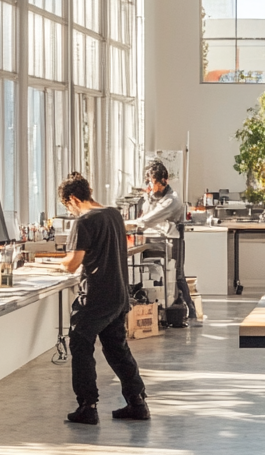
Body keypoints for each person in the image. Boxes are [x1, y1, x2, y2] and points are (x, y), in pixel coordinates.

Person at [59, 173, 149, 425]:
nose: (70, 211)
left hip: (96, 296)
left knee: (80, 345)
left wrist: (56, 264)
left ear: (74, 199)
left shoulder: (84, 221)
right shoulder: (113, 214)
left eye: (68, 206)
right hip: (118, 294)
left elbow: (72, 264)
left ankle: (87, 406)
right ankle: (137, 402)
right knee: (117, 349)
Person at [126, 159, 198, 323]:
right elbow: (145, 215)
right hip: (153, 238)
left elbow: (150, 218)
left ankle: (189, 309)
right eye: (149, 182)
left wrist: (128, 225)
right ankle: (159, 310)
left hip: (171, 239)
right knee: (153, 274)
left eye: (154, 183)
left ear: (164, 181)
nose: (151, 186)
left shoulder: (172, 200)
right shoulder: (150, 195)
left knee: (177, 275)